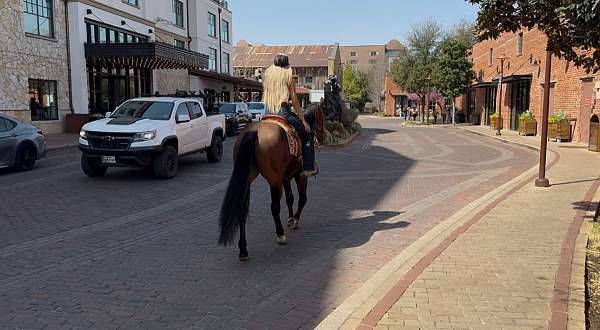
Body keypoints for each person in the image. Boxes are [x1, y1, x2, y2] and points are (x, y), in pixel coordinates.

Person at [262, 54, 317, 177]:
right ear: (287, 65)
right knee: (308, 134)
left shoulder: (267, 76)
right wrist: (303, 120)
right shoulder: (288, 76)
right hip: (283, 112)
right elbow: (295, 100)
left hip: (267, 112)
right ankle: (308, 168)